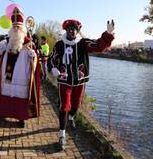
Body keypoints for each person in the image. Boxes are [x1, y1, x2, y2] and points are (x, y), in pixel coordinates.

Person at [48, 19, 115, 148]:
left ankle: (72, 117)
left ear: (78, 31)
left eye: (74, 29)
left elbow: (99, 45)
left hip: (80, 80)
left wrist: (108, 33)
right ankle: (62, 135)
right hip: (64, 80)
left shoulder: (83, 43)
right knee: (64, 106)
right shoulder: (59, 44)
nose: (71, 31)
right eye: (69, 29)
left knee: (76, 104)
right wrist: (53, 68)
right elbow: (52, 58)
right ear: (66, 30)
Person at [0, 8, 40, 128]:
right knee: (7, 92)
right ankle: (5, 112)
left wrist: (33, 55)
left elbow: (35, 60)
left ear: (22, 29)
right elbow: (3, 52)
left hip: (21, 74)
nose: (16, 29)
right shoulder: (9, 41)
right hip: (8, 73)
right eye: (14, 26)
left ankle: (21, 118)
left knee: (20, 95)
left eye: (18, 27)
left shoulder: (28, 42)